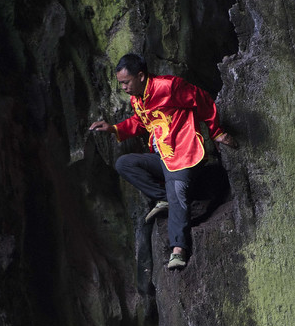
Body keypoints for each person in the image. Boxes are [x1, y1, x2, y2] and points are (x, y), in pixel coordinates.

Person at [90, 53, 236, 269]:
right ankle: (163, 197)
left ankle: (178, 249)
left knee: (176, 190)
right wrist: (114, 128)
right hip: (163, 157)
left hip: (183, 154)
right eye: (120, 84)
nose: (123, 88)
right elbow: (140, 123)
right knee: (125, 164)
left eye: (125, 82)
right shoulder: (137, 98)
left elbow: (202, 100)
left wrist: (216, 133)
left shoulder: (168, 87)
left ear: (140, 76)